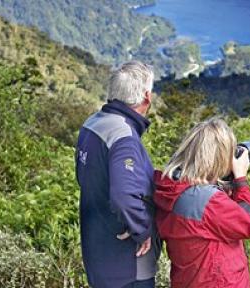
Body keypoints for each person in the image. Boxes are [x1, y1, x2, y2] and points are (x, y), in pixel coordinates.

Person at [75, 61, 160, 288]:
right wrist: (141, 230)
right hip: (126, 264)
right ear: (146, 97)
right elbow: (124, 196)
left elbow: (83, 177)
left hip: (97, 249)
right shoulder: (123, 137)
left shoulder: (92, 124)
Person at [153, 118, 250, 288]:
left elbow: (209, 225)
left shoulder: (171, 189)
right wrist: (240, 178)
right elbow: (248, 224)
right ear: (218, 157)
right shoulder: (208, 201)